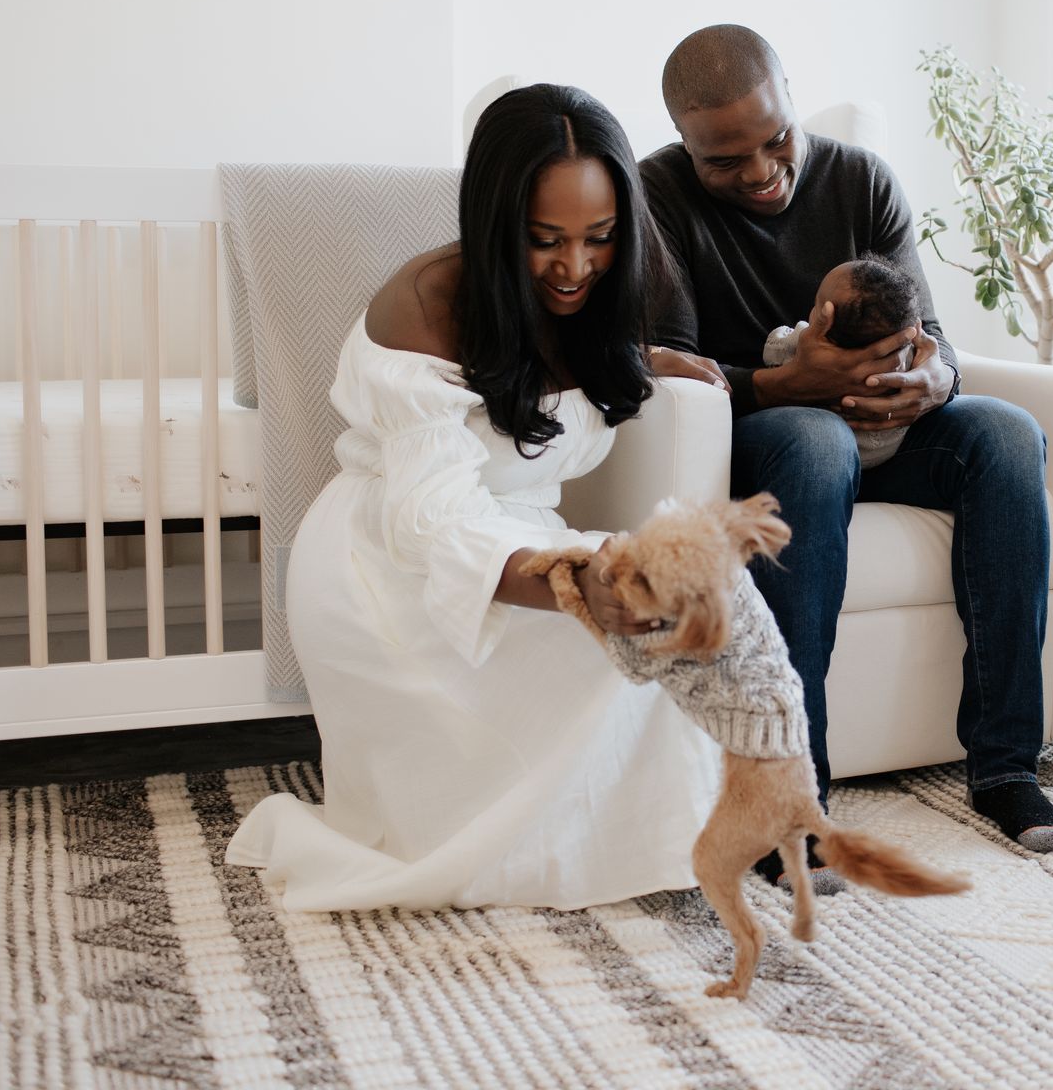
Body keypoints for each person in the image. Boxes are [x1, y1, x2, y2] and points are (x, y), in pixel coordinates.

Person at [225, 84, 724, 912]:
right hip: (388, 563)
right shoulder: (425, 307)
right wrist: (574, 586)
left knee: (666, 634)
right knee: (592, 664)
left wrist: (637, 360)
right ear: (496, 224)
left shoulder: (600, 297)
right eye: (544, 241)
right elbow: (435, 522)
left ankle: (655, 839)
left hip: (518, 538)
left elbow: (571, 373)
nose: (574, 267)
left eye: (599, 239)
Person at [640, 25, 1053, 887]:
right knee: (815, 437)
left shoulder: (862, 179)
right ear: (684, 141)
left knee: (1005, 432)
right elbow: (673, 370)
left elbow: (937, 339)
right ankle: (789, 795)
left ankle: (1006, 768)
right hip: (763, 434)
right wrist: (783, 385)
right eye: (728, 160)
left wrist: (935, 381)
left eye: (777, 140)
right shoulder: (655, 195)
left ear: (792, 98)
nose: (764, 171)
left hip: (888, 427)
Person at [761, 255, 921, 470]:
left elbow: (772, 350)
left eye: (816, 303)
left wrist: (787, 334)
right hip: (886, 448)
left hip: (828, 449)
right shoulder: (907, 355)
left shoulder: (803, 344)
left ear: (824, 319)